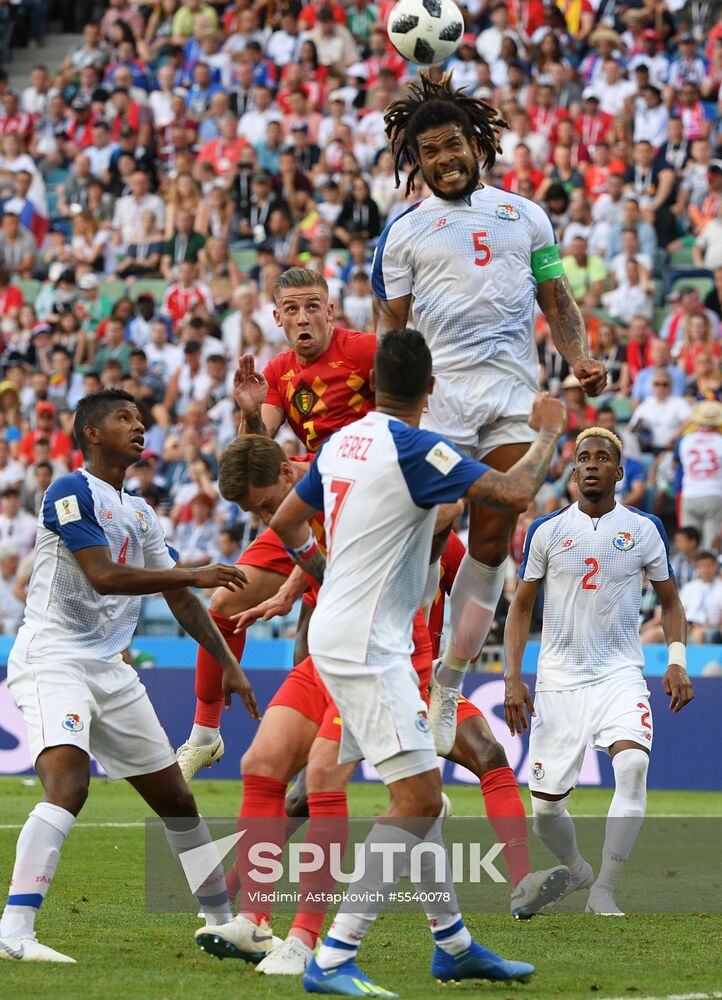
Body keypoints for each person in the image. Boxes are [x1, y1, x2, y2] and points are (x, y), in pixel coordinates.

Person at [191, 435, 569, 975]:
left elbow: (472, 508)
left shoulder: (397, 461)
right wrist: (293, 588)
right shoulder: (328, 467)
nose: (264, 516)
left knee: (373, 791)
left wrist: (547, 432)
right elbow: (307, 535)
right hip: (331, 647)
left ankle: (310, 945)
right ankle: (261, 921)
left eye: (262, 504)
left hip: (387, 652)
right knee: (267, 766)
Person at [267, 328, 568, 994]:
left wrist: (329, 576)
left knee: (420, 788)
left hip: (350, 634)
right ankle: (335, 957)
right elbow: (515, 493)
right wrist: (547, 433)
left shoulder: (342, 442)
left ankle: (453, 944)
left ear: (372, 385)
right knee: (418, 797)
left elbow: (287, 524)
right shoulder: (416, 445)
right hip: (369, 645)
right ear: (431, 390)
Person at [373, 71, 607, 755]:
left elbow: (556, 299)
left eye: (453, 147)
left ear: (478, 144)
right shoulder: (404, 232)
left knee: (493, 542)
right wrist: (393, 416)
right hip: (440, 402)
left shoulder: (525, 215)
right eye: (429, 153)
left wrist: (580, 357)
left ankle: (448, 681)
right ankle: (406, 665)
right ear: (413, 163)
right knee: (430, 524)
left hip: (511, 399)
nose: (444, 160)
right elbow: (392, 333)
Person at [0, 389, 259, 964]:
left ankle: (221, 923)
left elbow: (183, 602)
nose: (140, 428)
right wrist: (195, 571)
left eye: (142, 419)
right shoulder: (69, 491)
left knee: (177, 800)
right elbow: (101, 576)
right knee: (69, 785)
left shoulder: (140, 512)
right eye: (124, 419)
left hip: (111, 671)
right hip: (53, 658)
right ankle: (14, 931)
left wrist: (232, 667)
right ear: (92, 433)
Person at [175, 267, 376, 778]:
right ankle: (204, 733)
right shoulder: (279, 371)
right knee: (223, 603)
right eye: (293, 309)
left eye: (314, 306)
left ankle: (379, 775)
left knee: (311, 656)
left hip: (366, 510)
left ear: (330, 309)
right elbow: (256, 458)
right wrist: (246, 412)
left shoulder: (365, 352)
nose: (304, 317)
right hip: (303, 504)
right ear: (277, 317)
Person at [504, 426, 693, 917]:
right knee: (545, 811)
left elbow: (671, 603)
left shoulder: (644, 527)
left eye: (601, 457)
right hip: (558, 680)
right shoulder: (547, 531)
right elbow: (521, 608)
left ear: (617, 471)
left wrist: (676, 661)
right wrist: (512, 678)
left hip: (619, 674)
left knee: (632, 766)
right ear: (572, 472)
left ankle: (603, 888)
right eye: (582, 457)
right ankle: (578, 870)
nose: (590, 463)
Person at [677, 401, 722, 551]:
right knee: (711, 547)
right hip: (714, 494)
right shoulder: (719, 440)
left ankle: (689, 573)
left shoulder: (686, 440)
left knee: (689, 544)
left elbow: (679, 462)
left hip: (690, 493)